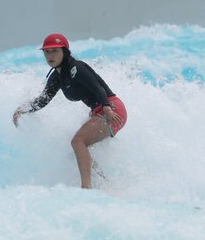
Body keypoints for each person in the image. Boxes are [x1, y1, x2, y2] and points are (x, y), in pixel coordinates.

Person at [12, 34, 126, 189]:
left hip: (111, 109)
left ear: (65, 51)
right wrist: (23, 109)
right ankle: (104, 183)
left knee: (78, 142)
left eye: (55, 51)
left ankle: (86, 188)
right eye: (47, 52)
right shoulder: (57, 76)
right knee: (77, 151)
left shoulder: (77, 68)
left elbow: (98, 88)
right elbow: (43, 100)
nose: (50, 56)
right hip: (99, 111)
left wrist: (106, 108)